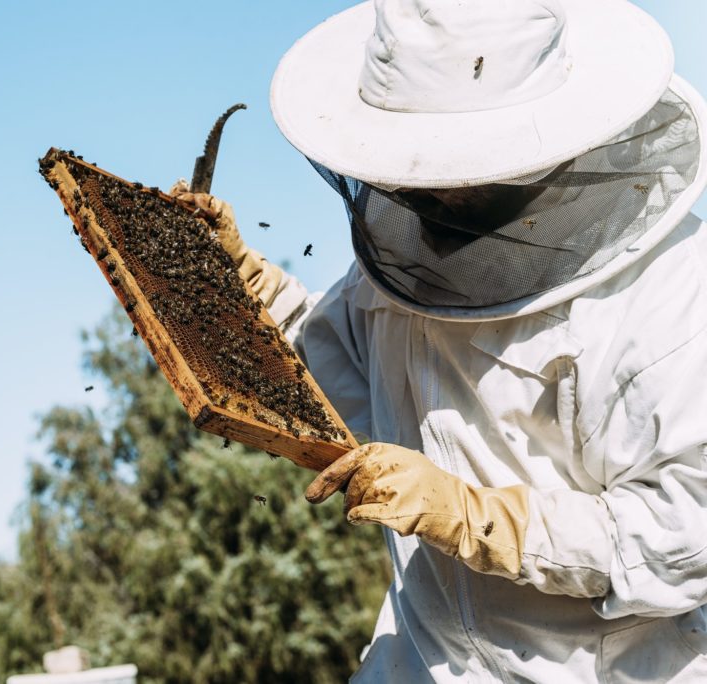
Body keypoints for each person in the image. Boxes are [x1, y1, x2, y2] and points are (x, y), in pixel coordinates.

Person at [174, 0, 707, 680]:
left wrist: (483, 520)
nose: (442, 197)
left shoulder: (671, 289)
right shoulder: (401, 277)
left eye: (465, 170)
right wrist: (235, 290)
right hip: (419, 662)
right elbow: (325, 389)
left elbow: (687, 528)